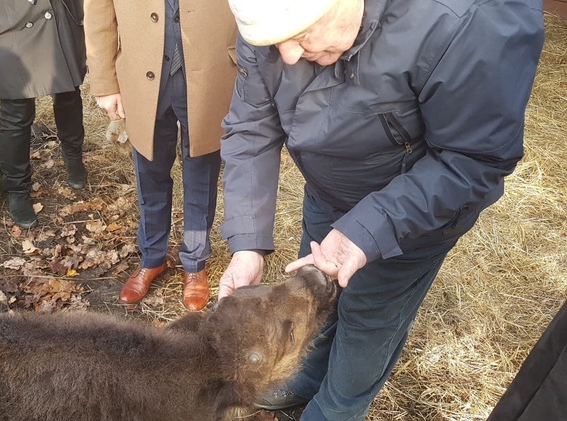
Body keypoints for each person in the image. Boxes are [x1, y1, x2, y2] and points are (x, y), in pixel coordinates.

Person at [217, 0, 544, 418]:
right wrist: (246, 245)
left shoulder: (466, 21)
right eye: (274, 42)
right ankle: (306, 378)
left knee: (369, 318)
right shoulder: (269, 21)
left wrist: (369, 229)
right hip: (329, 190)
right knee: (319, 294)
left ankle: (337, 407)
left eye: (300, 35)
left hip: (414, 212)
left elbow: (473, 160)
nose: (290, 56)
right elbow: (251, 127)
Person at [84, 0, 238, 311]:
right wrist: (104, 82)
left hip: (212, 73)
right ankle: (152, 257)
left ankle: (195, 263)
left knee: (201, 174)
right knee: (149, 175)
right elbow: (99, 10)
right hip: (142, 78)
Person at [0, 0, 87, 229]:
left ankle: (73, 156)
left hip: (58, 12)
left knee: (68, 93)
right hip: (7, 20)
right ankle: (17, 188)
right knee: (17, 110)